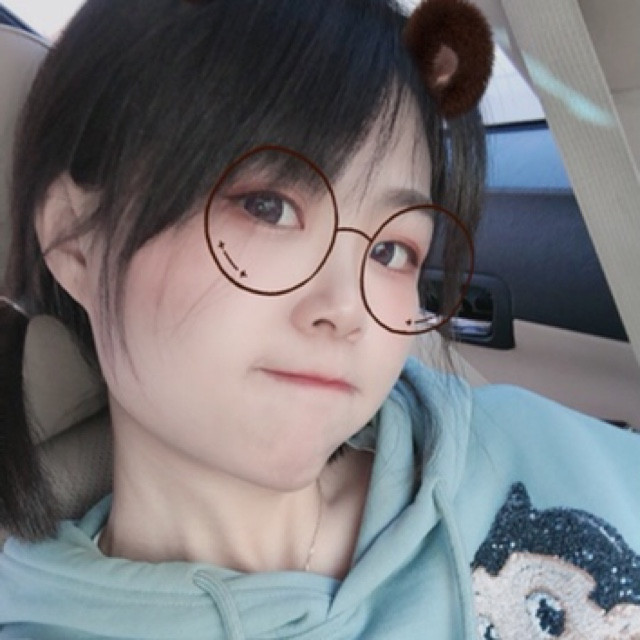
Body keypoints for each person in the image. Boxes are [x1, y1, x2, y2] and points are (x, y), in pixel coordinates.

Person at [0, 0, 638, 638]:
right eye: (267, 207)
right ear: (75, 239)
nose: (346, 309)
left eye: (390, 250)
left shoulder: (528, 441)